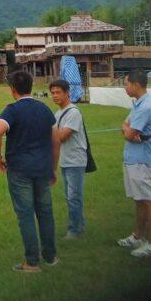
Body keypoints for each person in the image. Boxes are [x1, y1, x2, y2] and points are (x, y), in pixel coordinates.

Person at [0, 70, 58, 272]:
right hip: (42, 168)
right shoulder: (44, 109)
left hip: (20, 170)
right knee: (45, 213)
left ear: (13, 90)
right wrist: (52, 168)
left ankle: (31, 262)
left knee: (26, 214)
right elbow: (55, 140)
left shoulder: (12, 110)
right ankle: (51, 256)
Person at [118, 69, 151, 257]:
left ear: (136, 85)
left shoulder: (146, 107)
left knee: (148, 200)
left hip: (141, 161)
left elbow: (128, 132)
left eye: (127, 83)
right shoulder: (137, 105)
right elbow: (124, 125)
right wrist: (129, 131)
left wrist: (129, 132)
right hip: (131, 158)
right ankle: (138, 236)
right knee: (139, 200)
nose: (125, 87)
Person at [50, 78, 87, 239]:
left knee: (73, 196)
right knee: (70, 196)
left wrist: (48, 134)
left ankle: (74, 229)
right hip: (65, 160)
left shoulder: (73, 112)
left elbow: (61, 136)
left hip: (75, 160)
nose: (55, 96)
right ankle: (80, 223)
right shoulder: (58, 113)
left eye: (58, 92)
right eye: (52, 93)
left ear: (67, 93)